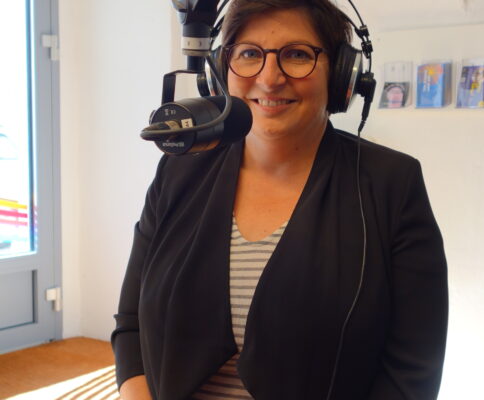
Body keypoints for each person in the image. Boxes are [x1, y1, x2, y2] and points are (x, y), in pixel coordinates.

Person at [111, 0, 449, 399]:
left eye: (297, 55)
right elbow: (131, 324)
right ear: (220, 70)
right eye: (249, 54)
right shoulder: (179, 171)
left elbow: (412, 373)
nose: (269, 78)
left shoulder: (391, 183)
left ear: (342, 74)